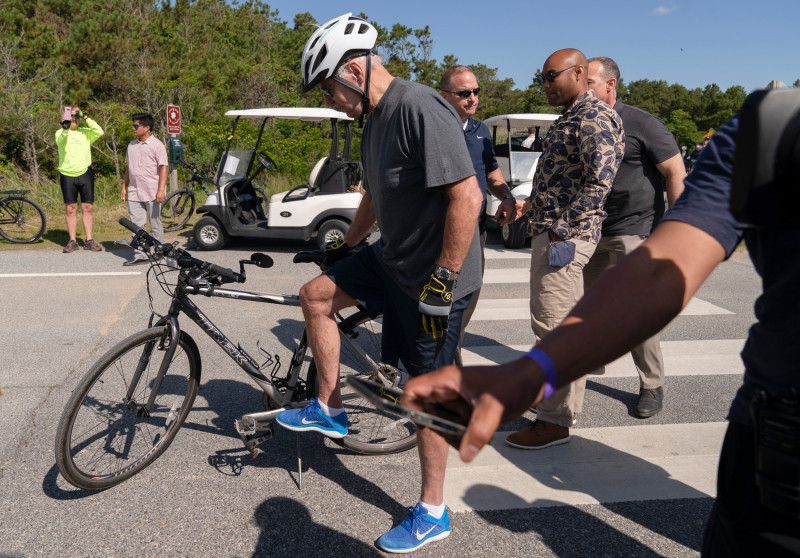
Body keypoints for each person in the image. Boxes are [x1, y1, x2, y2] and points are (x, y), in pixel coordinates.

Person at [403, 109, 800, 556]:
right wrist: (532, 372)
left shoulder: (654, 126)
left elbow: (658, 188)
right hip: (777, 442)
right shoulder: (768, 129)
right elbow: (658, 277)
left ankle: (650, 385)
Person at [274, 14, 483, 554]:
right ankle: (330, 408)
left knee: (422, 395)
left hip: (436, 276)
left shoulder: (419, 107)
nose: (332, 100)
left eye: (330, 88)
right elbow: (372, 196)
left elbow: (468, 198)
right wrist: (347, 245)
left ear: (354, 69)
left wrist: (444, 278)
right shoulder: (373, 120)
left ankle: (433, 512)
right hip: (393, 258)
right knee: (315, 295)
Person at [504, 48, 624, 450]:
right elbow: (564, 180)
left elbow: (599, 182)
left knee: (552, 330)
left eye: (551, 76)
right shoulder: (572, 116)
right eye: (542, 78)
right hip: (555, 233)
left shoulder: (592, 117)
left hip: (564, 240)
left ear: (578, 72)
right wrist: (528, 208)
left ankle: (553, 421)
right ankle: (559, 410)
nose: (545, 85)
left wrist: (560, 232)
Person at [580, 57, 687, 418]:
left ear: (611, 84)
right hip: (591, 230)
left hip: (634, 231)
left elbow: (675, 171)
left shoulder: (642, 122)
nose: (584, 89)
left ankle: (652, 385)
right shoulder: (582, 121)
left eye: (590, 82)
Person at [439, 65, 517, 366]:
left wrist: (508, 197)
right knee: (444, 294)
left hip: (476, 228)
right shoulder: (434, 128)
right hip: (442, 228)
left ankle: (450, 349)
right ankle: (444, 360)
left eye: (476, 91)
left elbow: (492, 174)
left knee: (469, 294)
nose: (473, 98)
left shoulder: (481, 130)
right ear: (445, 96)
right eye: (464, 93)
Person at [55, 105, 104, 253]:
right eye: (71, 116)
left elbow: (100, 131)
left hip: (85, 173)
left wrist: (86, 117)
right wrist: (65, 127)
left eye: (76, 116)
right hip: (67, 173)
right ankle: (72, 241)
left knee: (87, 208)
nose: (74, 118)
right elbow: (61, 143)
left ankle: (89, 240)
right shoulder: (60, 132)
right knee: (71, 208)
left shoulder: (85, 132)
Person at [121, 113, 168, 266]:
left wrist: (161, 190)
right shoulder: (131, 145)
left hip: (152, 191)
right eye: (133, 125)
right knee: (136, 225)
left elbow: (163, 168)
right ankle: (140, 254)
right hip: (134, 191)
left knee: (155, 223)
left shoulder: (157, 145)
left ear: (146, 128)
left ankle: (159, 251)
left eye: (136, 126)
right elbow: (129, 168)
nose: (133, 128)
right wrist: (124, 187)